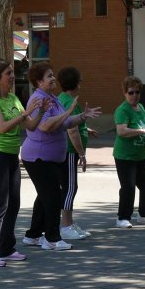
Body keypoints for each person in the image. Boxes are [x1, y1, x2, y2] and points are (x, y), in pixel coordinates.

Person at [21, 62, 100, 251]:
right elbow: (46, 126)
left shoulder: (52, 98)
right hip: (39, 157)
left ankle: (33, 235)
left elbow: (65, 123)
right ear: (39, 82)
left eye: (52, 75)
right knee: (53, 196)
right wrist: (69, 112)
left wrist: (82, 116)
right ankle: (52, 239)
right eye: (49, 76)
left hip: (51, 157)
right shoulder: (39, 99)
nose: (53, 78)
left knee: (45, 195)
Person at [0, 60, 49, 268]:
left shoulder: (14, 98)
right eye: (8, 73)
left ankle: (6, 249)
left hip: (11, 156)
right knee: (0, 204)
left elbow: (31, 126)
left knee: (13, 203)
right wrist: (24, 114)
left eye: (12, 73)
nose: (12, 76)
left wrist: (41, 111)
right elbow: (2, 128)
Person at [113, 76, 145, 228]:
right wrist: (142, 130)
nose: (134, 95)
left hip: (140, 155)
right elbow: (122, 131)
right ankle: (122, 218)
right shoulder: (122, 110)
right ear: (124, 93)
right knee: (128, 187)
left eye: (137, 92)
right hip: (125, 156)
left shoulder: (140, 108)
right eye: (131, 92)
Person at [57, 67, 100, 240]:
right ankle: (66, 226)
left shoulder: (64, 98)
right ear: (76, 82)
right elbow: (71, 131)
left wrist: (85, 128)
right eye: (80, 79)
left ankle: (70, 223)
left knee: (69, 187)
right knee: (70, 188)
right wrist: (81, 154)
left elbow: (72, 124)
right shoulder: (68, 101)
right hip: (70, 151)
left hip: (67, 151)